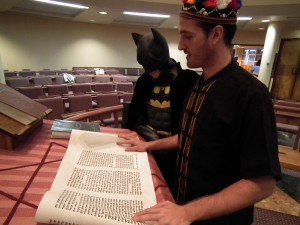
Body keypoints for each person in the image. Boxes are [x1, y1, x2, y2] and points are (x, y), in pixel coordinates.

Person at [118, 1, 281, 225]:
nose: (182, 45)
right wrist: (149, 145)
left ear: (215, 34)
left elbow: (263, 182)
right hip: (186, 212)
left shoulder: (251, 94)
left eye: (188, 36)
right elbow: (190, 138)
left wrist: (189, 212)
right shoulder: (198, 84)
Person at [126, 28, 199, 196]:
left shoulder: (188, 81)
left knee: (171, 191)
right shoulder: (145, 81)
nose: (150, 73)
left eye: (152, 68)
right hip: (146, 143)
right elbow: (135, 114)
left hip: (175, 149)